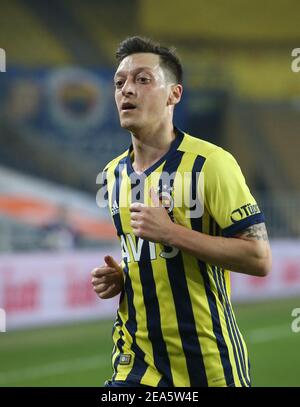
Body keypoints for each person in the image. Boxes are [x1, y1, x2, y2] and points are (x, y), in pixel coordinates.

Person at [91, 36, 272, 387]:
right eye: (120, 82)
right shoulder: (113, 173)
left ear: (174, 94)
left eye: (142, 79)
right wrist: (124, 277)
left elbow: (259, 257)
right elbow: (149, 254)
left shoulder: (211, 163)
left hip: (207, 363)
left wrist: (171, 232)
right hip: (134, 363)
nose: (127, 90)